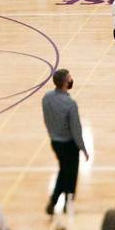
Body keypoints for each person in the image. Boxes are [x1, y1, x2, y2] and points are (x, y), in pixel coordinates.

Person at [42, 69, 89, 216]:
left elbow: (46, 118)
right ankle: (67, 204)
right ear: (65, 82)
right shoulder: (70, 104)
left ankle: (53, 202)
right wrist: (83, 148)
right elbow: (76, 129)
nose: (71, 80)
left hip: (55, 142)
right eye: (69, 78)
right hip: (69, 144)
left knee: (63, 170)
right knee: (71, 174)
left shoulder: (47, 98)